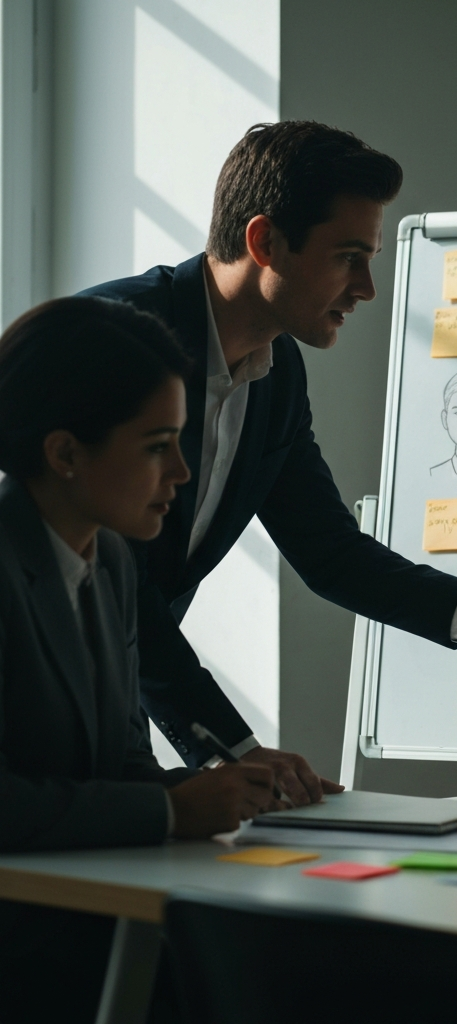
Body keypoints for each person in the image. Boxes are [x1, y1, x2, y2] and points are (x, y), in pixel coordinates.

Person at [83, 121, 457, 798]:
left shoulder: (275, 368)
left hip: (108, 710)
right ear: (264, 242)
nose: (367, 288)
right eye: (347, 257)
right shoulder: (113, 341)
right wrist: (236, 751)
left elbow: (329, 551)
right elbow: (112, 585)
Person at [0, 297, 277, 1022]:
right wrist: (164, 809)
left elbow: (118, 756)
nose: (183, 473)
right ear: (64, 454)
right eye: (158, 446)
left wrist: (223, 789)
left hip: (78, 917)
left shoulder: (111, 558)